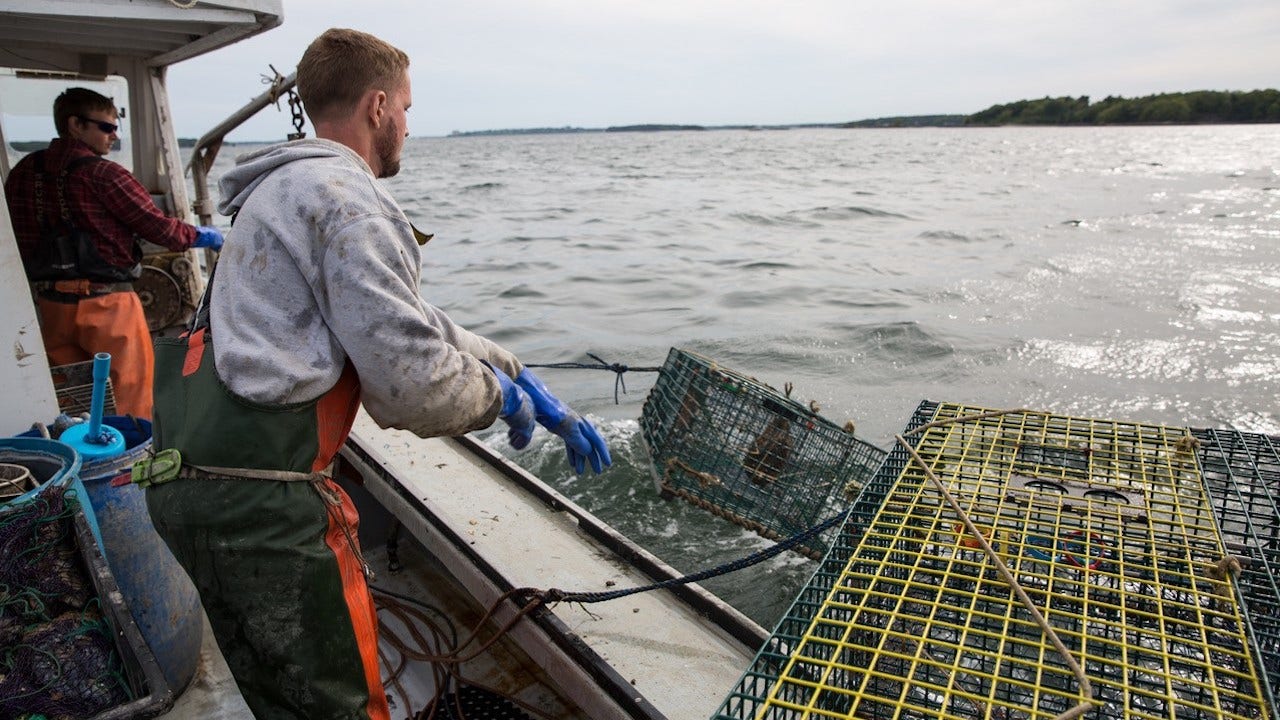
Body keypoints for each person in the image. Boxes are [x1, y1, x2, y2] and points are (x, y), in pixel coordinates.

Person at [142, 28, 610, 719]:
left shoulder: (278, 191)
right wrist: (498, 399)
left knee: (282, 700)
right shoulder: (348, 200)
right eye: (409, 110)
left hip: (190, 485)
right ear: (379, 105)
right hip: (265, 508)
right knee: (342, 707)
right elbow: (413, 385)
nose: (409, 128)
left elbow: (403, 318)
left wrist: (518, 374)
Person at [4, 87, 223, 419]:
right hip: (107, 306)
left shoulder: (22, 174)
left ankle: (84, 457)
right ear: (75, 124)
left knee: (72, 399)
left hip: (51, 306)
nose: (114, 136)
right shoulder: (104, 174)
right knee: (131, 401)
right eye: (106, 127)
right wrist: (203, 236)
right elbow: (159, 228)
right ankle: (129, 465)